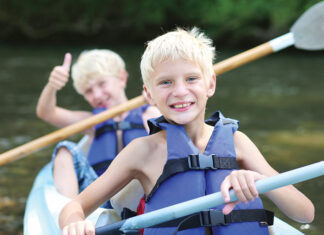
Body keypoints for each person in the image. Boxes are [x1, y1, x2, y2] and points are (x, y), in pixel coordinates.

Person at [59, 28, 315, 235]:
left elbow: (305, 213)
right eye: (166, 82)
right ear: (149, 94)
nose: (180, 91)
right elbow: (75, 206)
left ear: (210, 84)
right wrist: (74, 223)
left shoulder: (238, 142)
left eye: (191, 79)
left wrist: (261, 181)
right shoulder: (142, 151)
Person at [36, 49, 160, 206]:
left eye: (102, 84)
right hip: (99, 196)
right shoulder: (91, 122)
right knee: (64, 149)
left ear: (121, 78)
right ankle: (71, 216)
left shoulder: (148, 111)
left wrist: (157, 101)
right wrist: (52, 86)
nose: (97, 95)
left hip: (139, 191)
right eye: (88, 91)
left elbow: (169, 143)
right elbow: (47, 113)